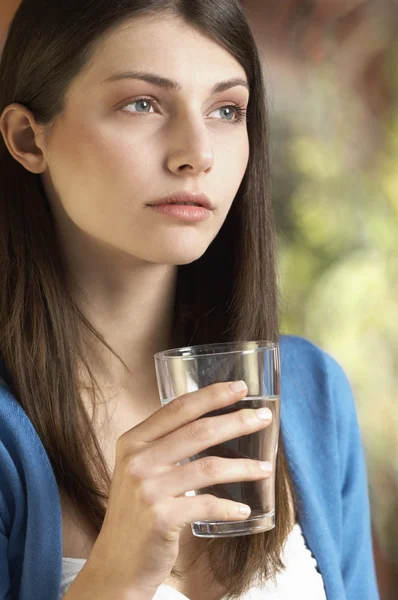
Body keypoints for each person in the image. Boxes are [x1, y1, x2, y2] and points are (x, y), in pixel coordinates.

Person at [0, 1, 379, 599]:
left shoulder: (312, 394)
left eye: (227, 110)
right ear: (28, 137)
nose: (196, 153)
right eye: (142, 104)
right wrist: (113, 578)